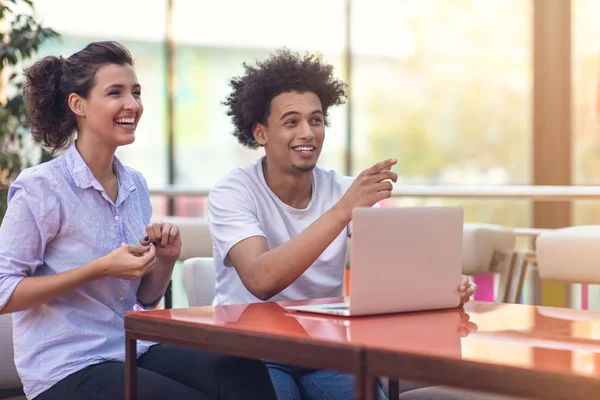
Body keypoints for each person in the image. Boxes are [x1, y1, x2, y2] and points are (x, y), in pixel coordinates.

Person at [0, 41, 277, 400]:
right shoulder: (40, 188)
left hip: (132, 346)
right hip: (66, 367)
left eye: (136, 92)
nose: (132, 104)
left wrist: (164, 259)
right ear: (78, 104)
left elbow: (144, 298)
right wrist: (99, 268)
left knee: (241, 371)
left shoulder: (135, 185)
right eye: (115, 93)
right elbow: (5, 293)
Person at [207, 49, 478, 400]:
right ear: (260, 132)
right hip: (252, 351)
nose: (307, 133)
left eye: (316, 120)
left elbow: (393, 266)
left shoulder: (341, 188)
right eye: (291, 122)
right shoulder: (233, 192)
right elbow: (261, 279)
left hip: (325, 351)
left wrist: (438, 287)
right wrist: (343, 209)